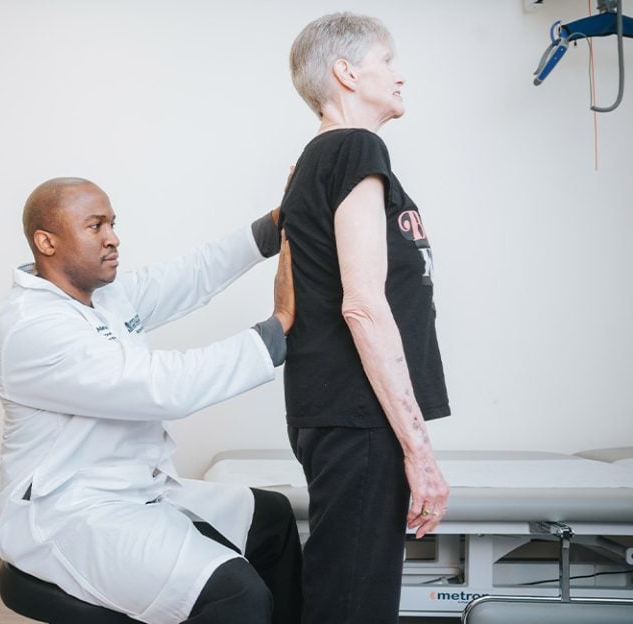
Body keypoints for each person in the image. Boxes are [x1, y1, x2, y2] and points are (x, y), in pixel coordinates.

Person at [0, 177, 301, 624]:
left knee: (272, 518)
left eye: (112, 224)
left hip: (136, 490)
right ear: (47, 242)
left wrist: (274, 227)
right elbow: (162, 387)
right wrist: (278, 328)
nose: (113, 237)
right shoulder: (31, 328)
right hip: (71, 512)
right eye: (95, 226)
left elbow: (192, 275)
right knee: (235, 594)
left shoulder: (104, 297)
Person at [278, 13, 451, 624]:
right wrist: (419, 450)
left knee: (339, 591)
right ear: (346, 72)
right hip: (359, 418)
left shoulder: (315, 161)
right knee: (353, 604)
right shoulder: (354, 147)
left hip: (335, 413)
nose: (399, 75)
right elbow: (362, 305)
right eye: (387, 60)